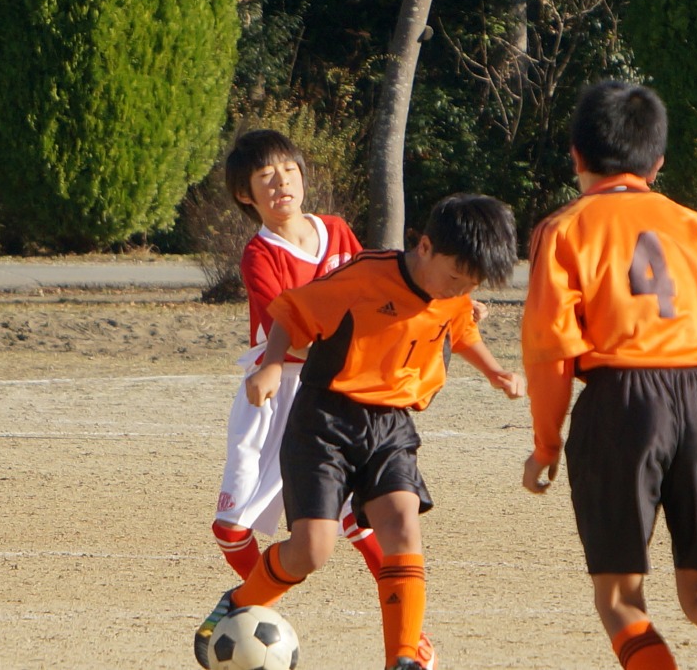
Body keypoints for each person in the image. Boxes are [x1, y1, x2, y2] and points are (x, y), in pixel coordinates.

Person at [520, 80, 697, 670]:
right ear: (657, 163)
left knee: (619, 599)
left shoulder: (564, 229)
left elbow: (550, 351)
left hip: (621, 400)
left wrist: (546, 444)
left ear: (576, 156)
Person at [195, 193, 526, 670]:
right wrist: (271, 366)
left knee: (402, 526)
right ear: (425, 247)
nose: (459, 290)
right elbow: (291, 311)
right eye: (456, 277)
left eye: (470, 285)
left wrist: (494, 371)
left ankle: (403, 658)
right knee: (311, 551)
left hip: (391, 424)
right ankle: (240, 601)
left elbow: (460, 329)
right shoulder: (364, 277)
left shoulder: (452, 292)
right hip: (325, 421)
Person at [210, 129, 437, 667]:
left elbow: (377, 286)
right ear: (245, 194)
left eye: (289, 169)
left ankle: (409, 637)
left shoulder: (334, 230)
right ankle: (253, 609)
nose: (281, 183)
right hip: (279, 387)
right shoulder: (260, 254)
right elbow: (294, 325)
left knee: (361, 518)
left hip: (337, 388)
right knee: (232, 528)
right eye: (265, 176)